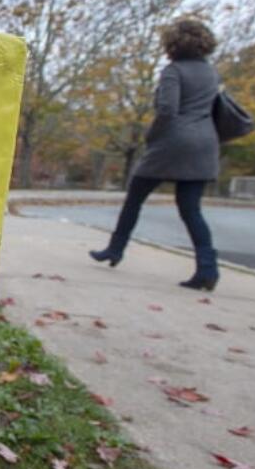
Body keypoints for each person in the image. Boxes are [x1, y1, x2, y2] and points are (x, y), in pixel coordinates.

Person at [89, 18, 222, 290]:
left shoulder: (174, 71)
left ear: (173, 43)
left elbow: (167, 110)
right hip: (204, 145)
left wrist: (152, 136)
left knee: (135, 197)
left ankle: (115, 249)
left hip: (173, 143)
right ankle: (207, 269)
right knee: (191, 209)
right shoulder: (212, 73)